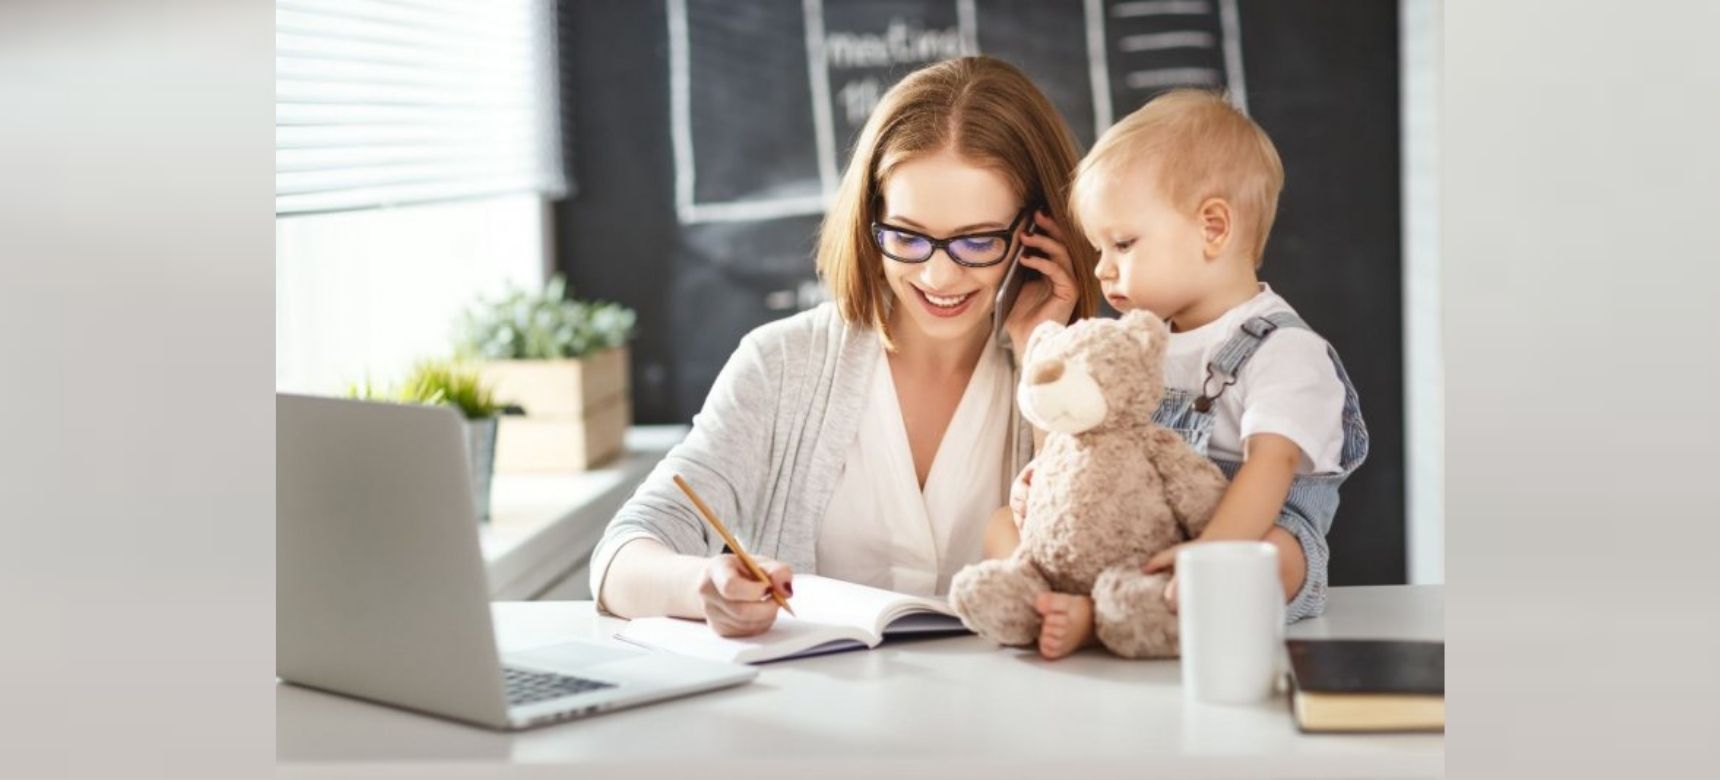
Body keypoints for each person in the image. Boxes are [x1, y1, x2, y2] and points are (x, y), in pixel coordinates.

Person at [590, 56, 1100, 637]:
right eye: (907, 236)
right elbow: (620, 560)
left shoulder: (1082, 375)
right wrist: (702, 584)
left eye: (976, 242)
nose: (937, 277)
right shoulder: (782, 364)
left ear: (1037, 233)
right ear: (870, 220)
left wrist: (1045, 352)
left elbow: (1086, 575)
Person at [987, 89, 1369, 658]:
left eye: (1122, 243)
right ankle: (1043, 594)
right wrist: (1051, 483)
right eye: (1098, 248)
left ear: (1213, 228)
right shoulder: (1140, 343)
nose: (1101, 268)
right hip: (1142, 528)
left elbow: (1270, 467)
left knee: (1276, 556)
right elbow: (1090, 436)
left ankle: (1102, 617)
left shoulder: (1285, 350)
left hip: (1241, 535)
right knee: (999, 522)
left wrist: (1211, 553)